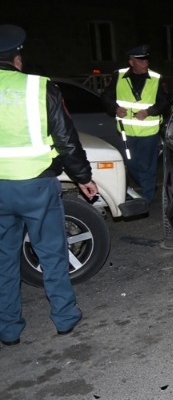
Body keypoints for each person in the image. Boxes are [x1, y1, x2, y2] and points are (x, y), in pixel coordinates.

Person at [0, 24, 99, 345]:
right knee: (51, 252)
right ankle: (65, 317)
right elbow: (67, 140)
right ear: (17, 58)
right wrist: (83, 177)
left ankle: (8, 329)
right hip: (37, 186)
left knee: (3, 260)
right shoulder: (40, 88)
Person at [100, 44, 170, 204]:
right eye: (140, 61)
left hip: (148, 133)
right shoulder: (118, 76)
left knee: (147, 166)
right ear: (131, 62)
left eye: (146, 60)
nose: (145, 63)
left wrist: (149, 112)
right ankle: (148, 184)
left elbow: (165, 102)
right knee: (130, 164)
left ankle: (146, 199)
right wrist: (115, 108)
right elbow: (105, 97)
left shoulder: (157, 78)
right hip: (126, 132)